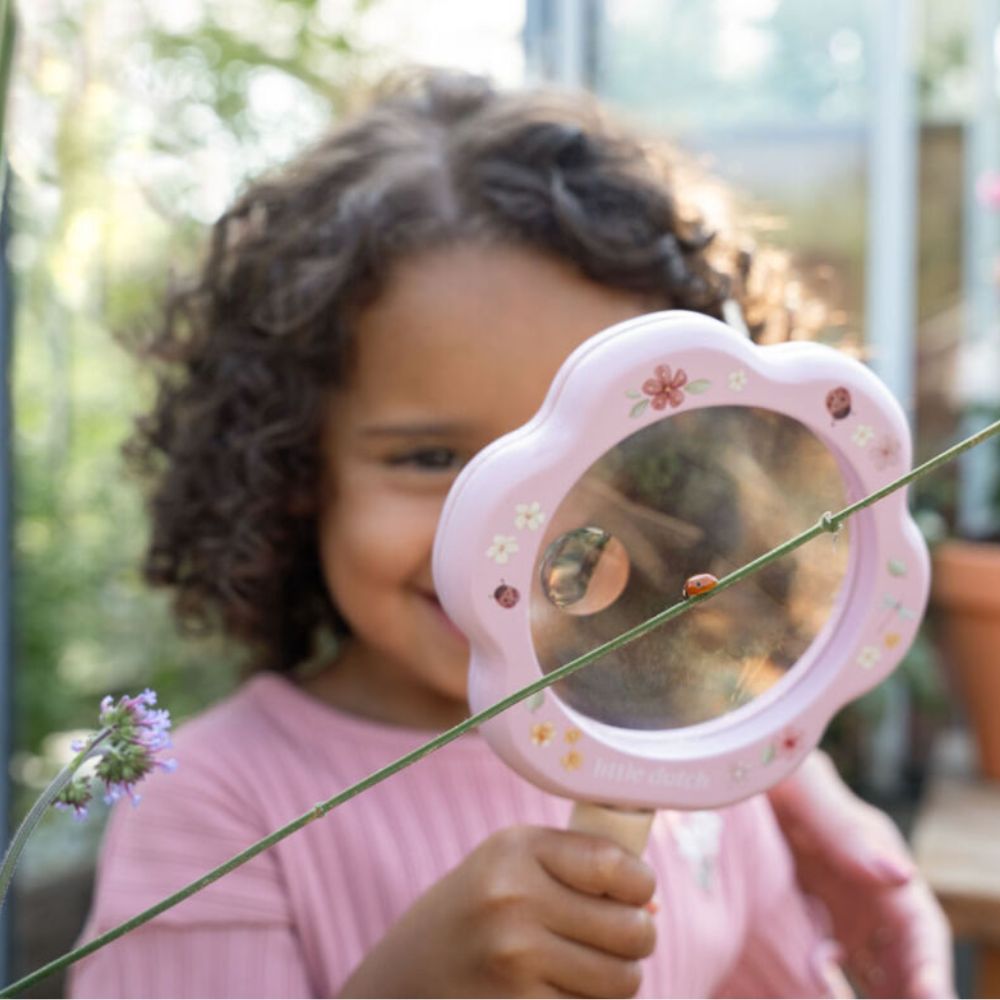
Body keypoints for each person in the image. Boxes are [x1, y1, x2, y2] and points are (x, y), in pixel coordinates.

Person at [69, 69, 952, 999]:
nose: (521, 534)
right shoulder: (214, 808)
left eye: (608, 460)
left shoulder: (692, 760)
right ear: (293, 471)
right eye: (430, 457)